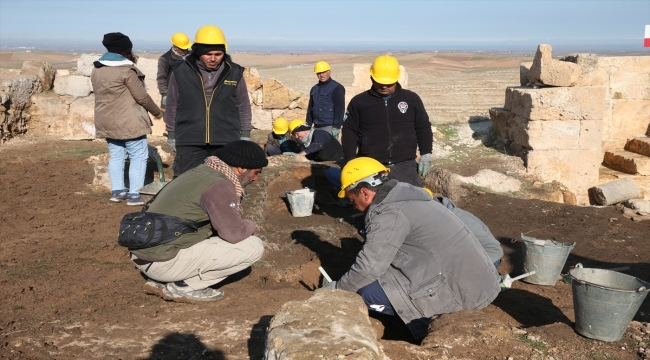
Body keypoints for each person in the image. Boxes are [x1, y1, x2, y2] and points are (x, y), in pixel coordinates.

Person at [323, 157, 501, 339]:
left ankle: (421, 326)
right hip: (477, 282)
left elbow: (370, 267)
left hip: (463, 295)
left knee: (367, 293)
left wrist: (338, 289)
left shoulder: (388, 213)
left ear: (365, 193)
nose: (355, 207)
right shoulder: (406, 195)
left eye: (353, 200)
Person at [130, 140, 268, 302]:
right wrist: (250, 225)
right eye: (256, 172)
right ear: (241, 168)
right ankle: (183, 286)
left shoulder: (201, 171)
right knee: (253, 246)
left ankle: (160, 280)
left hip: (145, 256)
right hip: (161, 263)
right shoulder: (220, 186)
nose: (255, 179)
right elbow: (234, 234)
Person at [165, 25, 252, 176]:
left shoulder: (235, 72)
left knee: (225, 182)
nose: (213, 58)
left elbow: (243, 104)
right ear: (198, 52)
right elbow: (172, 104)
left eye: (218, 54)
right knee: (187, 182)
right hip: (189, 139)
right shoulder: (180, 71)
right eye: (208, 54)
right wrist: (172, 134)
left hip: (225, 139)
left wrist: (245, 134)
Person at [91, 32, 163, 206]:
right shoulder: (126, 70)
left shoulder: (97, 69)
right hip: (129, 121)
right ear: (126, 49)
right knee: (138, 155)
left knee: (116, 156)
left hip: (106, 120)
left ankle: (117, 191)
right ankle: (135, 194)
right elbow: (142, 97)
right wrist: (157, 112)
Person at [341, 55, 433, 187]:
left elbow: (423, 127)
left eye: (389, 83)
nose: (384, 86)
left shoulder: (411, 99)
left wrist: (426, 153)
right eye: (380, 82)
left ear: (397, 78)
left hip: (404, 165)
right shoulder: (359, 102)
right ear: (371, 77)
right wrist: (350, 160)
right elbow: (349, 131)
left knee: (408, 201)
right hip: (370, 165)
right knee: (370, 203)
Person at [156, 32, 192, 117]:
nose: (185, 51)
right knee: (172, 121)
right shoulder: (165, 59)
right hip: (172, 94)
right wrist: (165, 94)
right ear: (175, 47)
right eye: (182, 49)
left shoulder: (192, 56)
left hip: (189, 94)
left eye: (187, 48)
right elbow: (161, 78)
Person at [305, 61, 345, 137]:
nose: (322, 75)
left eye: (324, 72)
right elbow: (310, 109)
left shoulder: (337, 87)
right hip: (316, 126)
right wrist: (308, 125)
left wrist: (337, 126)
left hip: (329, 126)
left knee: (330, 148)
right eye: (319, 73)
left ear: (329, 72)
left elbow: (340, 109)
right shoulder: (314, 89)